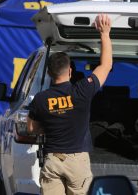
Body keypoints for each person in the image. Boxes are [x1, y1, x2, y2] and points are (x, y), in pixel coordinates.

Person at [27, 14, 112, 195]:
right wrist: (104, 34)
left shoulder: (40, 99)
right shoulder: (82, 90)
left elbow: (31, 128)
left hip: (53, 160)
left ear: (49, 73)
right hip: (77, 162)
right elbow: (105, 65)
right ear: (71, 71)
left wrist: (51, 125)